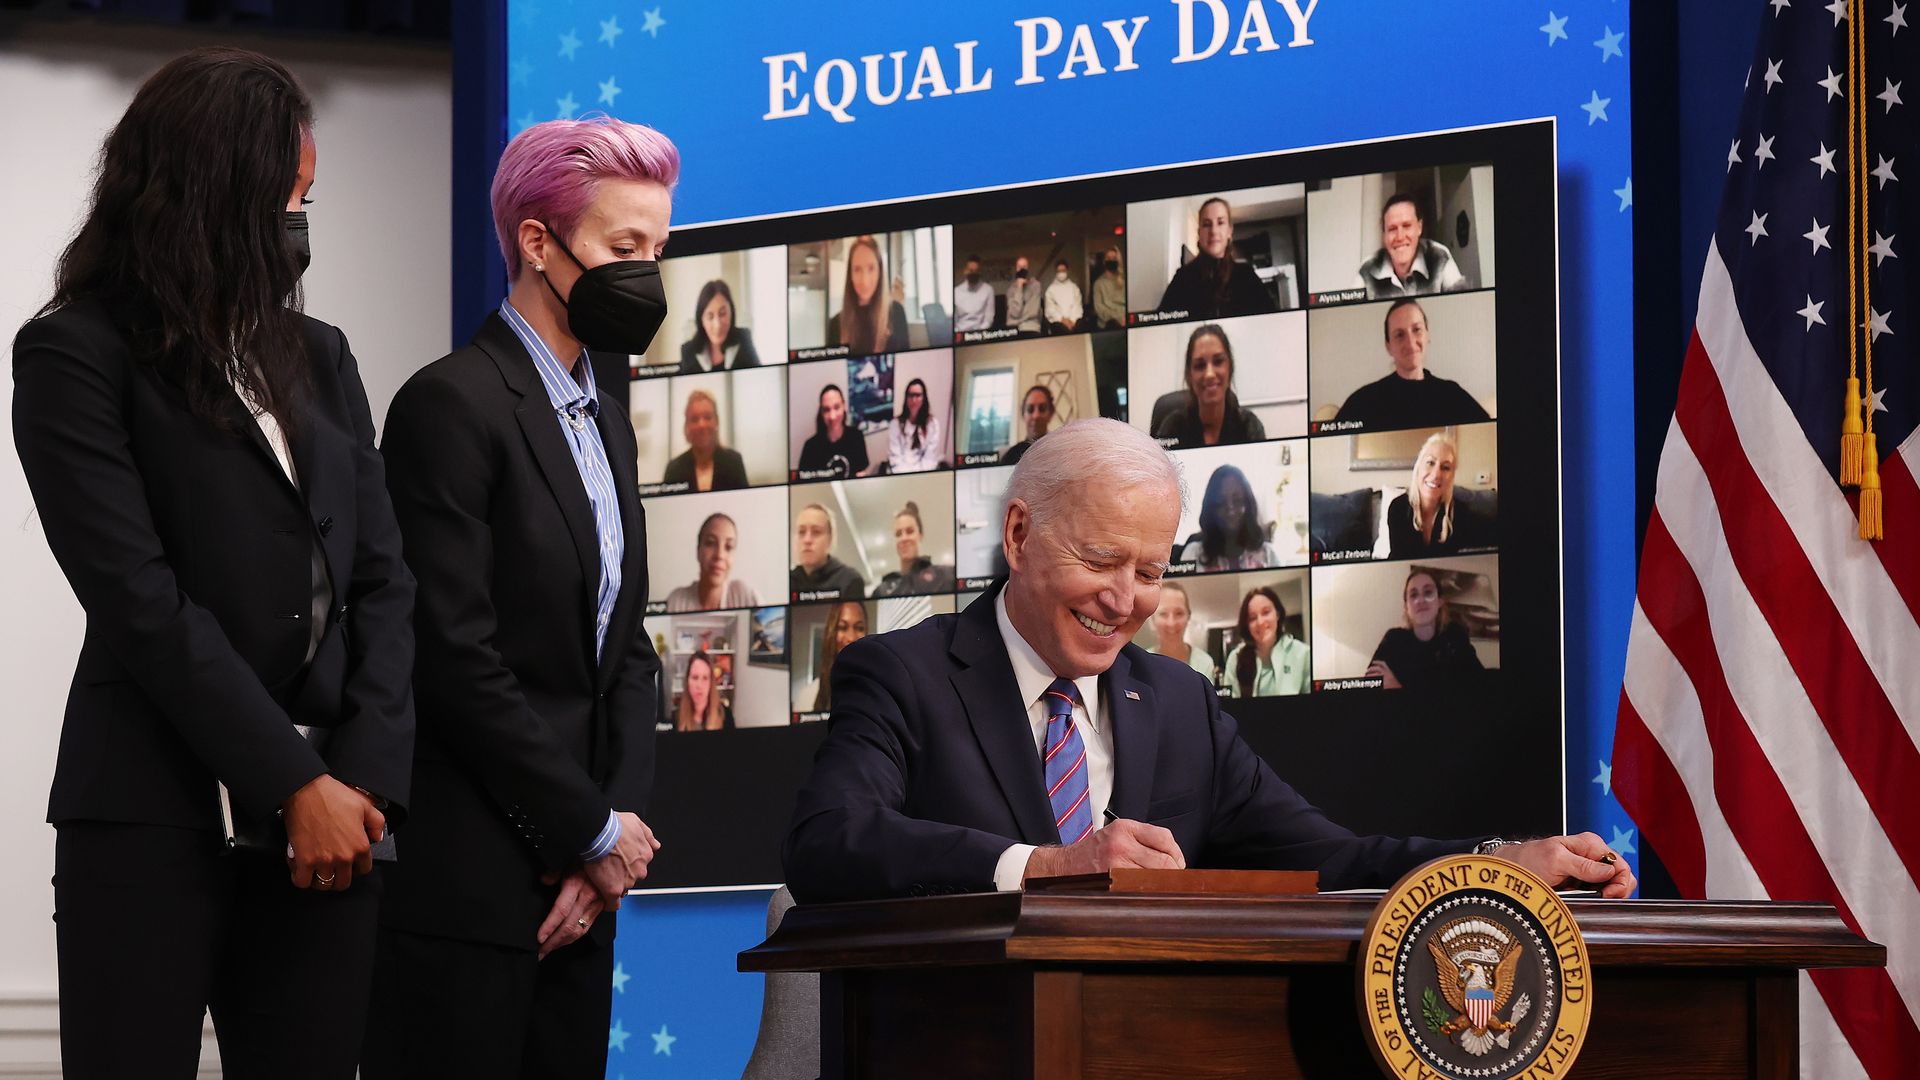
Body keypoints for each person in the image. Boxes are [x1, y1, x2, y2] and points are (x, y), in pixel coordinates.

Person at [11, 47, 414, 1080]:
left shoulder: (319, 353)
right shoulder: (73, 353)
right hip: (151, 813)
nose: (299, 225)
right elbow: (140, 601)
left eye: (308, 198)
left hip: (336, 829)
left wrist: (358, 780)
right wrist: (293, 783)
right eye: (287, 197)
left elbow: (381, 580)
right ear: (212, 190)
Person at [781, 418, 1634, 903]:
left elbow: (1330, 860)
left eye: (1149, 571)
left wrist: (1499, 861)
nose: (1125, 599)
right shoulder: (903, 675)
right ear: (1019, 536)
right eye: (1101, 559)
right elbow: (827, 842)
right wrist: (1048, 867)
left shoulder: (1181, 702)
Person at [369, 116, 668, 1079]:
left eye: (658, 250)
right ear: (537, 243)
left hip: (582, 900)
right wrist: (586, 830)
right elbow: (454, 655)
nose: (648, 276)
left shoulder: (610, 427)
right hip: (467, 897)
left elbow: (626, 652)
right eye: (626, 249)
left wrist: (607, 845)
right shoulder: (448, 404)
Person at [1335, 299, 1491, 430]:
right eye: (1399, 335)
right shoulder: (1363, 401)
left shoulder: (1452, 394)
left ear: (1427, 335)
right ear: (1388, 346)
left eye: (1417, 329)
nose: (1410, 343)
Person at [1155, 196, 1277, 318]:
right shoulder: (1183, 278)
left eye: (1220, 222)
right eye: (1207, 224)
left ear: (1229, 231)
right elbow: (1161, 320)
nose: (1213, 231)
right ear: (1199, 233)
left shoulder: (1246, 275)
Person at [1366, 570, 1486, 690]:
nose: (1421, 600)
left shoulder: (1455, 636)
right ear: (1406, 607)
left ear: (1439, 601)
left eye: (1428, 592)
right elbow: (1370, 688)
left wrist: (1398, 688)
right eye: (1413, 595)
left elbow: (1478, 687)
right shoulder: (1394, 640)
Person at [1153, 323, 1268, 448]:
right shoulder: (1173, 427)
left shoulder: (1249, 426)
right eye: (1200, 365)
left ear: (1230, 367)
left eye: (1218, 361)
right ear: (1189, 374)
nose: (1209, 374)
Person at [1387, 431, 1486, 556]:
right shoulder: (1398, 507)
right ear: (1418, 467)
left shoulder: (1460, 513)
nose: (1436, 475)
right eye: (1430, 463)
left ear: (1452, 476)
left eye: (1445, 467)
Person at [1354, 193, 1467, 299]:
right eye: (1392, 229)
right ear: (1384, 235)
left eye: (1407, 226)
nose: (1400, 237)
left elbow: (1463, 303)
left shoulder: (1439, 255)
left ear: (1419, 227)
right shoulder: (1367, 268)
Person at [1178, 465, 1278, 571]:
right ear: (1211, 508)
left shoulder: (1269, 555)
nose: (1230, 509)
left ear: (1248, 505)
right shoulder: (1193, 553)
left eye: (1237, 500)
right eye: (1221, 501)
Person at [828, 234, 909, 354]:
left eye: (871, 268)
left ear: (880, 271)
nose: (864, 280)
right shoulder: (835, 325)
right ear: (850, 275)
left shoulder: (897, 313)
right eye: (857, 269)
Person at [666, 512, 763, 611]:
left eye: (728, 547)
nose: (719, 555)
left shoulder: (747, 598)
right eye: (710, 543)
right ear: (698, 551)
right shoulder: (677, 602)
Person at [1223, 587, 1310, 697]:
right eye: (1252, 618)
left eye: (1266, 612)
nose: (1260, 622)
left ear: (1277, 614)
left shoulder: (1303, 653)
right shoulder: (1235, 659)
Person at [661, 388, 748, 491]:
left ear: (716, 422)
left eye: (707, 417)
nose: (701, 425)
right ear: (687, 426)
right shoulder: (674, 469)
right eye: (694, 419)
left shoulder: (734, 462)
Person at [872, 501, 956, 597]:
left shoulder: (946, 575)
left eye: (910, 531)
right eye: (898, 534)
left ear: (920, 536)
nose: (904, 538)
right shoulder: (881, 590)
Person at [677, 278, 761, 373]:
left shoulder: (743, 338)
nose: (717, 325)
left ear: (731, 313)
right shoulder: (688, 351)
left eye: (722, 313)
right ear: (701, 320)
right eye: (710, 316)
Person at [799, 601, 868, 712]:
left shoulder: (878, 692)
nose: (851, 638)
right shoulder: (807, 697)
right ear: (831, 633)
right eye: (842, 627)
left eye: (859, 628)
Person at [790, 503, 867, 599]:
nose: (807, 540)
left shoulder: (850, 580)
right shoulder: (786, 582)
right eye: (801, 532)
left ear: (830, 539)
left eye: (816, 532)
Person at [797, 382, 870, 478]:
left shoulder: (857, 437)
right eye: (826, 410)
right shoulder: (810, 447)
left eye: (837, 407)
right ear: (821, 413)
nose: (832, 416)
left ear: (844, 406)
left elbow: (862, 472)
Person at [1150, 582, 1217, 685]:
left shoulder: (1204, 662)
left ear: (1188, 617)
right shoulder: (1141, 662)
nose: (1171, 623)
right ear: (1152, 620)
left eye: (1179, 613)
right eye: (1163, 614)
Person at [888, 377, 944, 473]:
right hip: (900, 473)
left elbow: (929, 459)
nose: (913, 400)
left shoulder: (933, 424)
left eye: (917, 395)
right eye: (910, 395)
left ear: (924, 398)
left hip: (923, 473)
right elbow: (896, 459)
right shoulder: (895, 424)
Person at [674, 650, 734, 731]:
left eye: (705, 678)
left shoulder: (726, 716)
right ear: (687, 681)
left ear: (711, 683)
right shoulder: (676, 717)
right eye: (695, 677)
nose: (699, 685)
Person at [1000, 384, 1055, 465]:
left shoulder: (1060, 452)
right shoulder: (1010, 457)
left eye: (1042, 409)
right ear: (1023, 414)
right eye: (1030, 409)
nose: (1036, 416)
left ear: (1050, 414)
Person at [953, 253, 995, 332]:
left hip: (980, 332)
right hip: (961, 331)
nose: (973, 273)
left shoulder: (988, 290)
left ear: (980, 272)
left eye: (976, 271)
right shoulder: (956, 292)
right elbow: (954, 319)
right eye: (971, 270)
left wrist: (978, 333)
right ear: (965, 271)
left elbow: (989, 318)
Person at [1004, 255, 1043, 335]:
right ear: (1016, 269)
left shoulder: (1036, 285)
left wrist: (1017, 320)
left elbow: (1033, 312)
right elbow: (1015, 312)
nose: (1021, 269)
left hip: (1031, 326)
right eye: (1019, 267)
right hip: (1013, 328)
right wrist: (1019, 287)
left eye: (1024, 266)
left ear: (1028, 268)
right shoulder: (1010, 290)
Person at [1044, 259, 1084, 334]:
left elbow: (1077, 306)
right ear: (1056, 272)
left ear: (1067, 271)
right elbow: (1050, 310)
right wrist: (1063, 320)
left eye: (1063, 270)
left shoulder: (1074, 288)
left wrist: (1072, 321)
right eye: (1059, 271)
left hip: (1074, 322)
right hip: (1058, 322)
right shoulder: (1050, 290)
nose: (1061, 273)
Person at [1091, 245, 1126, 330]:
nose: (1111, 260)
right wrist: (1118, 318)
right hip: (1108, 323)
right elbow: (1100, 309)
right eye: (1108, 258)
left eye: (1114, 258)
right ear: (1104, 261)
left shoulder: (1124, 280)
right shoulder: (1099, 283)